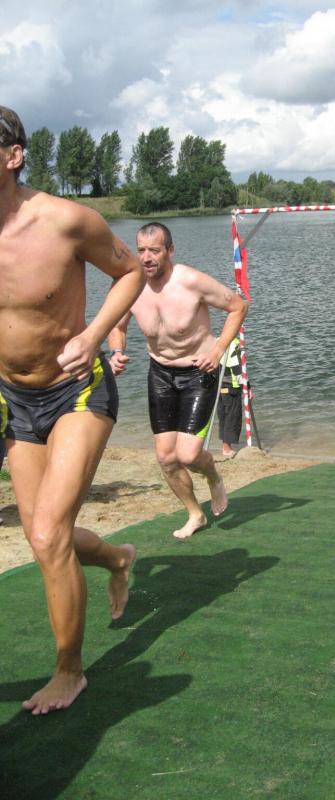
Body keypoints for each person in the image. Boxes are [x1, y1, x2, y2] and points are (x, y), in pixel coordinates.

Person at [0, 106, 144, 714]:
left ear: (13, 156)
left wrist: (94, 335)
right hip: (12, 399)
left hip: (76, 391)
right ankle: (116, 557)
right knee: (44, 539)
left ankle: (69, 671)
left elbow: (130, 272)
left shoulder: (66, 221)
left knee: (46, 532)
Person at [109, 222, 248, 538]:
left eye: (154, 250)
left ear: (169, 251)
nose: (146, 257)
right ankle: (195, 513)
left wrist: (218, 350)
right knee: (166, 458)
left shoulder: (190, 281)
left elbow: (238, 306)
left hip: (199, 371)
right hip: (160, 373)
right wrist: (116, 351)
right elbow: (116, 326)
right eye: (141, 250)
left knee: (188, 454)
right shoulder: (129, 285)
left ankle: (212, 475)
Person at [218, 336, 243, 458]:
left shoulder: (218, 341)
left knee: (223, 416)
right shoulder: (233, 344)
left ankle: (225, 446)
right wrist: (247, 386)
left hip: (219, 386)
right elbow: (236, 368)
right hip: (231, 386)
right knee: (232, 416)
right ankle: (227, 448)